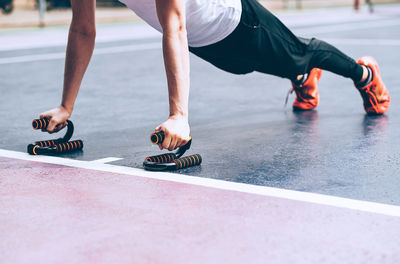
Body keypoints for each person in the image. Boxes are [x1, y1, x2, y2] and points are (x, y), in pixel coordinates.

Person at [40, 0, 390, 151]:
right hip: (206, 43)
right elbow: (83, 29)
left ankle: (364, 73)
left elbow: (173, 24)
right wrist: (65, 106)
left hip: (238, 22)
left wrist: (179, 115)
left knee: (300, 54)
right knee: (250, 66)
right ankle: (302, 77)